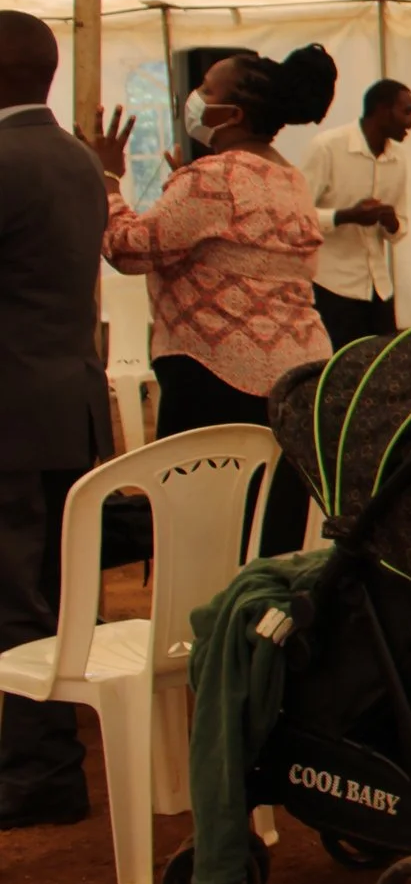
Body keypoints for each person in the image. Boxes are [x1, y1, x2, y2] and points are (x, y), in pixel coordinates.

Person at [89, 45, 334, 557]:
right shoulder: (288, 176)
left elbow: (129, 250)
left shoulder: (213, 178)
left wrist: (107, 178)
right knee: (269, 530)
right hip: (296, 378)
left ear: (233, 114)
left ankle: (206, 631)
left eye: (206, 89)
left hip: (218, 377)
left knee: (205, 534)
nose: (194, 98)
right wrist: (184, 186)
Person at [0, 14, 114, 830]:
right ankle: (51, 754)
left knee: (14, 596)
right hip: (65, 402)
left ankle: (40, 772)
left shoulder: (3, 159)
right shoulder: (78, 159)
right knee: (51, 586)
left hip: (10, 407)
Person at [300, 78, 411, 348]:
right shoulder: (327, 147)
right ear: (383, 110)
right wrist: (345, 216)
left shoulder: (398, 157)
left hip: (379, 287)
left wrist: (391, 222)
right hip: (333, 286)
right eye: (406, 112)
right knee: (340, 371)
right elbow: (296, 216)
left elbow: (400, 230)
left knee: (382, 368)